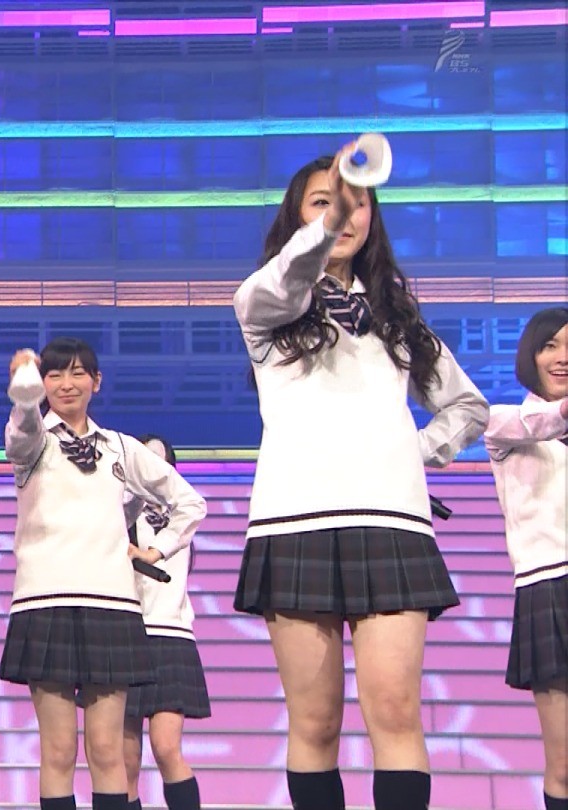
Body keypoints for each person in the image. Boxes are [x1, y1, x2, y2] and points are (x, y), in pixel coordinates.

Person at [231, 146, 488, 810]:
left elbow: (467, 407)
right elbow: (288, 277)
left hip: (390, 522)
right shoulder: (264, 302)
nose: (344, 214)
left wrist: (411, 449)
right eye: (323, 202)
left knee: (396, 712)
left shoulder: (397, 318)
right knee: (315, 724)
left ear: (373, 216)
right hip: (295, 522)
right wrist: (327, 223)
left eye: (356, 203)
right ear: (298, 217)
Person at [2, 339, 206, 810]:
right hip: (45, 603)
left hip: (112, 606)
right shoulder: (34, 439)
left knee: (109, 751)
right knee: (58, 751)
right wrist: (24, 391)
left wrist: (155, 549)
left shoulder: (120, 447)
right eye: (55, 375)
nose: (66, 384)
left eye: (78, 373)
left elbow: (190, 502)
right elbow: (22, 430)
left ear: (97, 381)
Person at [484, 306, 568, 810]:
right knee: (565, 763)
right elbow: (541, 422)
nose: (563, 357)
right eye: (551, 345)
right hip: (550, 586)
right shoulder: (504, 425)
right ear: (530, 356)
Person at [117, 436, 210, 810]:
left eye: (161, 463)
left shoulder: (181, 519)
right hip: (128, 635)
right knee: (124, 762)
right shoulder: (121, 514)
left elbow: (192, 509)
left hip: (172, 637)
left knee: (167, 748)